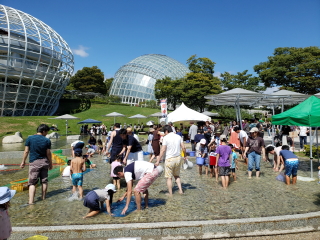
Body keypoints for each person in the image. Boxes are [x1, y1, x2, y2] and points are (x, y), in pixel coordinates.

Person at [20, 124, 52, 205]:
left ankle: (31, 202)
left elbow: (26, 151)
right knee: (44, 181)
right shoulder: (47, 140)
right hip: (45, 162)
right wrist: (50, 163)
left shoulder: (30, 138)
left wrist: (23, 161)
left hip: (34, 162)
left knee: (32, 183)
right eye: (47, 132)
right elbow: (48, 153)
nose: (47, 134)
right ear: (43, 131)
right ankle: (43, 197)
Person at [157, 125, 187, 196]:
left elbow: (163, 149)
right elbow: (184, 147)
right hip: (178, 158)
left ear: (166, 131)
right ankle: (181, 191)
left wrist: (158, 160)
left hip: (169, 159)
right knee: (177, 176)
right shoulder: (178, 137)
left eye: (165, 132)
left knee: (169, 177)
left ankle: (170, 193)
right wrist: (185, 156)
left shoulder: (165, 138)